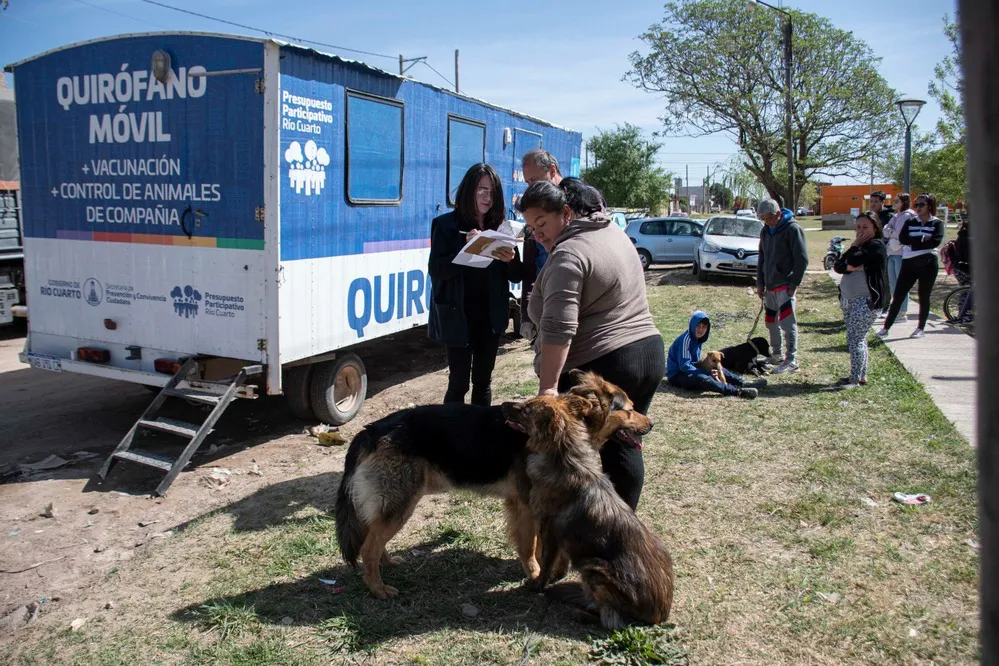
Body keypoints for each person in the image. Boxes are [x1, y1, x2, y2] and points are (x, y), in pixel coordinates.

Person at [518, 178, 664, 510]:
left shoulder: (570, 253)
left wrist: (548, 390)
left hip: (609, 361)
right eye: (530, 227)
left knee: (595, 454)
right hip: (648, 351)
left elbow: (558, 327)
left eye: (541, 223)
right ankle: (624, 529)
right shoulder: (612, 232)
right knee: (625, 443)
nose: (536, 233)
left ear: (566, 212)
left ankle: (609, 535)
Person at [428, 163, 523, 405]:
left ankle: (480, 435)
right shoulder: (446, 225)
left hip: (490, 316)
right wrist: (467, 250)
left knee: (483, 380)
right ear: (469, 190)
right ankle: (451, 436)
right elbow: (436, 270)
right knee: (458, 382)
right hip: (458, 315)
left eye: (492, 192)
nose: (487, 197)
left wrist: (511, 260)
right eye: (481, 190)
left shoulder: (501, 227)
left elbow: (516, 275)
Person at [833, 212, 890, 388]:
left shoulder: (876, 246)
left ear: (875, 227)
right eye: (858, 227)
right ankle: (861, 375)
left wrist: (854, 248)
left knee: (855, 339)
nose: (861, 231)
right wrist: (853, 251)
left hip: (866, 300)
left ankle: (854, 379)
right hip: (849, 299)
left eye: (865, 227)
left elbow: (852, 260)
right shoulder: (860, 246)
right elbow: (839, 266)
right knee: (858, 338)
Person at [877, 192, 945, 339]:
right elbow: (903, 238)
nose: (918, 208)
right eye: (916, 205)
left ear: (930, 206)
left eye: (922, 205)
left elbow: (935, 242)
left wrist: (915, 242)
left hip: (928, 263)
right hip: (909, 262)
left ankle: (920, 328)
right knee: (899, 295)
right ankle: (885, 328)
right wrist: (921, 241)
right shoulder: (911, 221)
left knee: (924, 296)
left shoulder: (937, 223)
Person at [755, 199, 809, 374]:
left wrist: (793, 284)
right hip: (770, 287)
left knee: (787, 324)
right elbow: (761, 258)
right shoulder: (765, 231)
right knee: (771, 322)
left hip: (785, 287)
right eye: (763, 219)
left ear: (778, 214)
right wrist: (760, 282)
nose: (767, 222)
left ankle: (791, 359)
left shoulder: (793, 230)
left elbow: (802, 260)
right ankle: (776, 354)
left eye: (769, 218)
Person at [666, 311, 765, 399]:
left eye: (704, 327)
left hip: (691, 369)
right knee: (703, 378)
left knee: (718, 368)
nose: (701, 329)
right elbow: (684, 366)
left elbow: (696, 363)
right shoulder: (686, 340)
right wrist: (706, 373)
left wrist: (710, 369)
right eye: (698, 326)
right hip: (677, 375)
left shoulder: (698, 339)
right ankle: (737, 391)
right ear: (692, 325)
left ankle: (743, 383)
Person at [518, 149, 562, 337]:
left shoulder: (578, 199)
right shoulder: (533, 207)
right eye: (528, 182)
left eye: (535, 180)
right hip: (543, 303)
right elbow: (530, 267)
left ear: (552, 170)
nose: (530, 187)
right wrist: (526, 316)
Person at [881, 192, 916, 318]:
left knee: (901, 284)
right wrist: (890, 231)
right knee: (892, 283)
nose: (894, 203)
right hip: (891, 251)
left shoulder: (908, 215)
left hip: (902, 253)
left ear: (904, 202)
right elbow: (885, 230)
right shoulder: (896, 215)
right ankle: (895, 308)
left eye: (897, 201)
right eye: (894, 201)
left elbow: (898, 233)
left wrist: (890, 231)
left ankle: (902, 312)